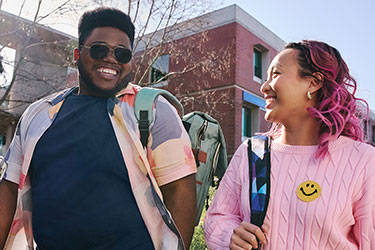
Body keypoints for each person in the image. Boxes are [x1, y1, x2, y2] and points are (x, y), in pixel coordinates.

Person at [0, 7, 197, 250]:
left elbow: (180, 192)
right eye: (99, 49)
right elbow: (9, 188)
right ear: (77, 54)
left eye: (122, 54)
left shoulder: (153, 110)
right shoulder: (38, 115)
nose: (111, 58)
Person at [204, 40, 375, 249]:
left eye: (275, 74)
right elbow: (217, 217)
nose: (264, 87)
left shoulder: (363, 160)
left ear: (313, 83)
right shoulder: (253, 153)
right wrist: (229, 235)